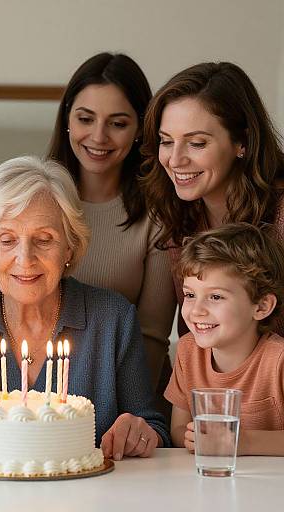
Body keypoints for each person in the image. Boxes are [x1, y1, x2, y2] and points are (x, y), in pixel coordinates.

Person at [0, 156, 170, 459]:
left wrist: (139, 434)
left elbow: (155, 429)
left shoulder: (113, 319)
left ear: (69, 246)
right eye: (7, 240)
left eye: (44, 239)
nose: (25, 259)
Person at [47, 52, 176, 402]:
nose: (98, 136)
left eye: (118, 123)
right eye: (86, 118)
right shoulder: (36, 197)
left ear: (139, 130)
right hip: (33, 404)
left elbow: (151, 336)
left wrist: (125, 414)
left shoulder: (159, 214)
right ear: (68, 120)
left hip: (125, 405)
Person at [141, 61, 284, 335]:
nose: (175, 160)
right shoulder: (178, 217)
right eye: (167, 141)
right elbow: (195, 338)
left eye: (197, 143)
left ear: (242, 143)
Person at [165, 223, 284, 455]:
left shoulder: (278, 361)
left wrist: (243, 442)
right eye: (190, 294)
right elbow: (178, 428)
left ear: (261, 306)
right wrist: (191, 439)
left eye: (216, 296)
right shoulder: (188, 351)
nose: (197, 310)